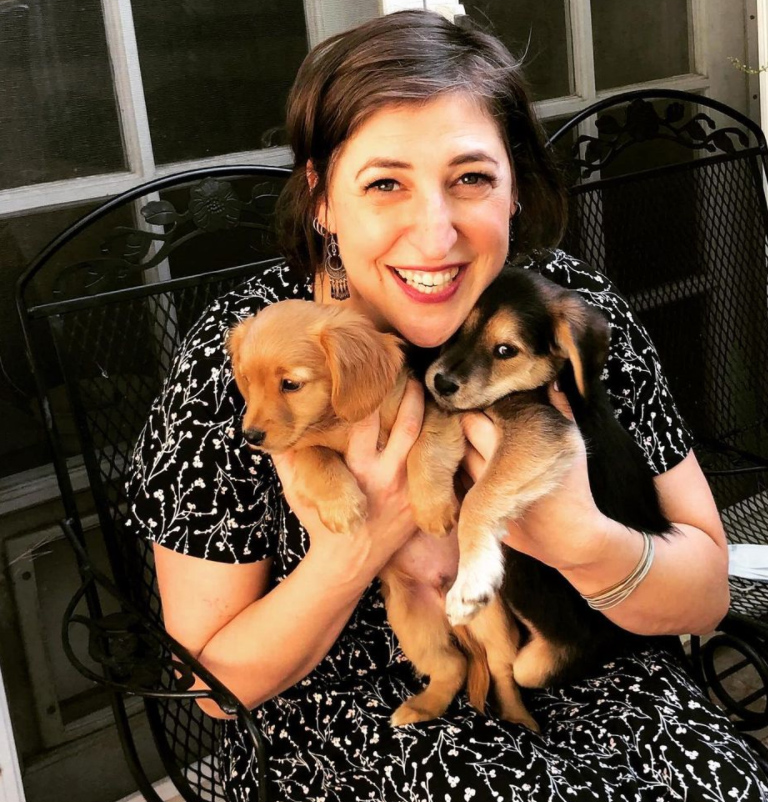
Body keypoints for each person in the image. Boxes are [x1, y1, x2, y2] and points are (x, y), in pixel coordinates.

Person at [125, 10, 768, 801]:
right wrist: (367, 539)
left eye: (471, 178)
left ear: (515, 193)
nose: (435, 237)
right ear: (322, 199)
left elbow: (704, 592)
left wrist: (578, 537)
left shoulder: (562, 310)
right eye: (385, 183)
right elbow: (213, 686)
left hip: (589, 667)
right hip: (366, 727)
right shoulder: (243, 353)